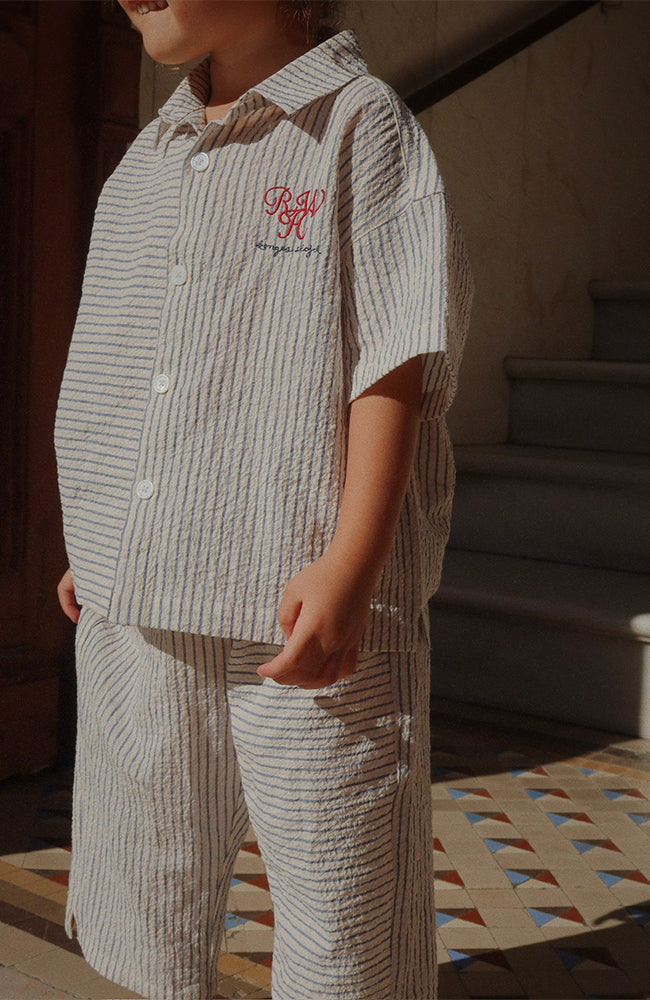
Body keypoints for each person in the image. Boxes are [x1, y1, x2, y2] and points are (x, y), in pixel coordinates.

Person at [55, 2, 472, 997]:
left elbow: (395, 355)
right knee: (143, 885)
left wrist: (352, 565)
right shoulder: (145, 160)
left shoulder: (359, 126)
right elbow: (123, 360)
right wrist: (103, 532)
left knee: (343, 899)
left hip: (305, 607)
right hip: (143, 600)